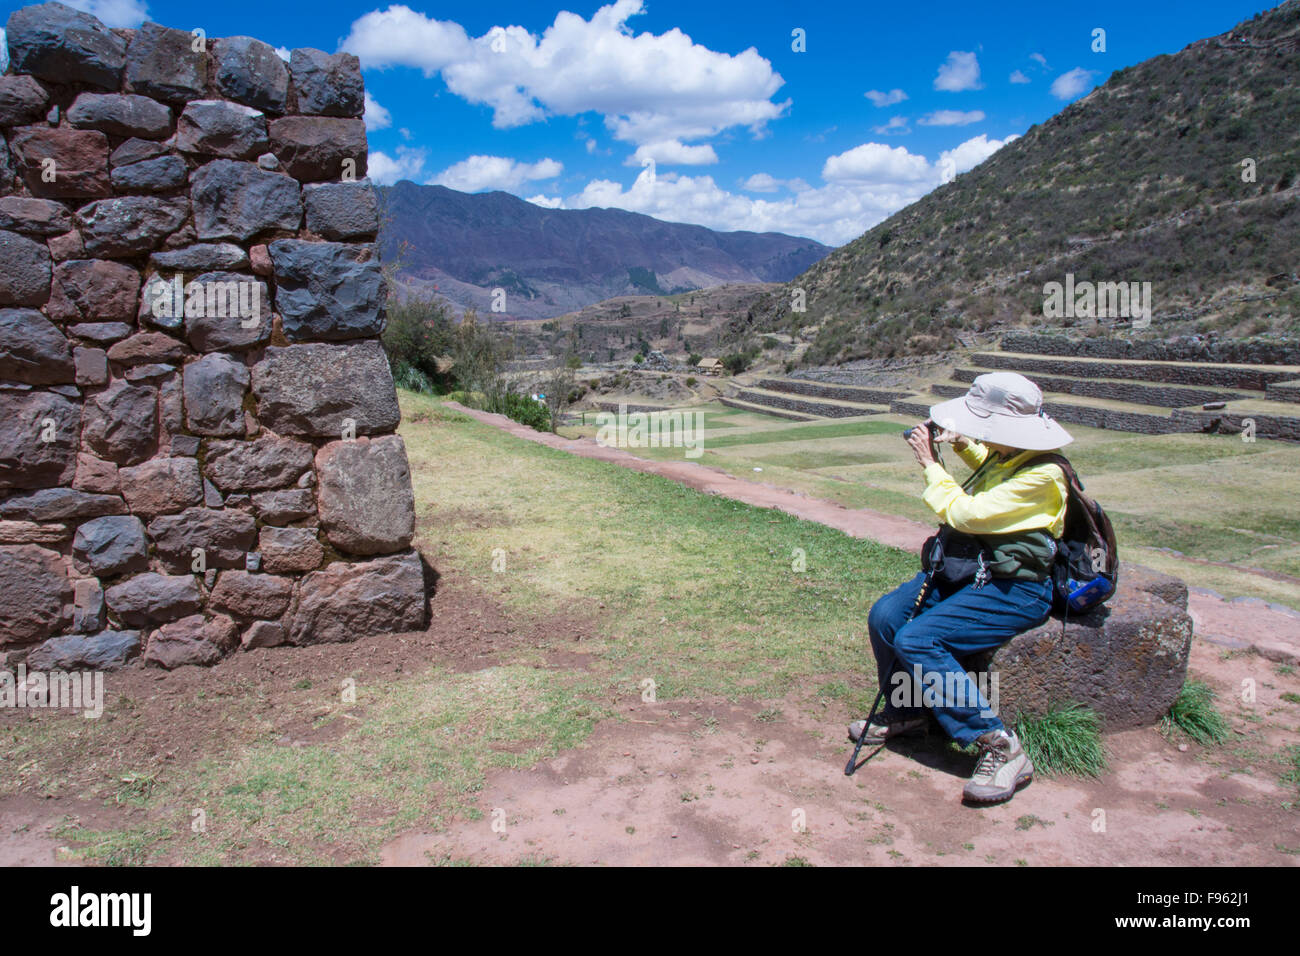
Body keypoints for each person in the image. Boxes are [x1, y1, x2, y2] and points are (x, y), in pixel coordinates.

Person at [848, 371, 1073, 804]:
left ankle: (999, 744)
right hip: (972, 572)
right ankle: (910, 712)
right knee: (886, 616)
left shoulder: (1043, 476)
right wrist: (961, 445)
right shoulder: (1011, 455)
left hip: (1017, 587)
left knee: (918, 638)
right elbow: (989, 469)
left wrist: (930, 464)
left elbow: (964, 513)